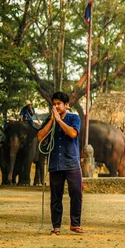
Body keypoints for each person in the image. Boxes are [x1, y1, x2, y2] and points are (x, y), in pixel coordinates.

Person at [37, 91, 83, 235]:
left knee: (76, 193)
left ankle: (75, 224)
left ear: (66, 105)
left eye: (59, 104)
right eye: (54, 104)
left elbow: (73, 133)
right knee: (56, 196)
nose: (56, 106)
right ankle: (56, 226)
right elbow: (39, 137)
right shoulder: (50, 119)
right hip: (55, 163)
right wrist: (52, 121)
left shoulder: (74, 118)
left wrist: (59, 121)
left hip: (71, 163)